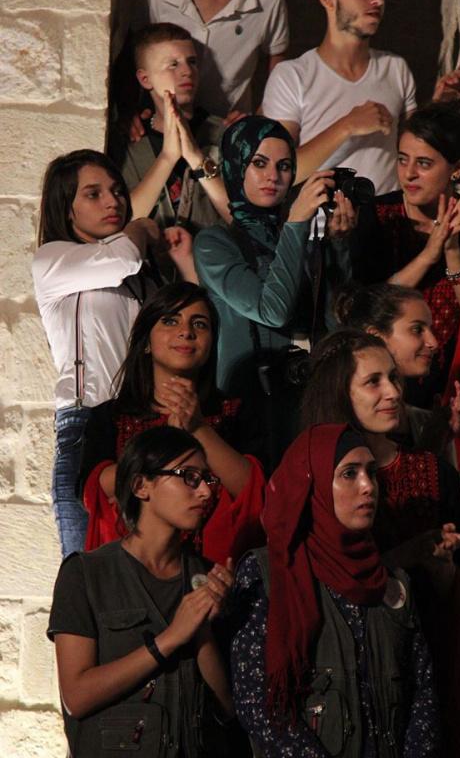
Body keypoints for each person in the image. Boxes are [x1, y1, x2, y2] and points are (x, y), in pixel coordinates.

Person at [301, 329, 460, 757]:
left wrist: (441, 568)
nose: (392, 392)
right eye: (373, 381)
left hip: (425, 670)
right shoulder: (311, 478)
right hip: (340, 676)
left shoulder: (433, 473)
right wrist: (406, 555)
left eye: (394, 378)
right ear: (339, 393)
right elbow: (314, 584)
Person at [231, 422, 440, 756]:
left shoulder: (392, 583)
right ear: (310, 484)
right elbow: (258, 703)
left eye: (371, 473)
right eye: (349, 474)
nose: (367, 486)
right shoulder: (269, 574)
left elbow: (423, 692)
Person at [48, 425, 235, 758]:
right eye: (189, 477)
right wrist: (169, 639)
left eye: (208, 479)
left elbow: (227, 710)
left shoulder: (206, 577)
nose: (206, 492)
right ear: (140, 486)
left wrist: (202, 628)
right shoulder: (86, 574)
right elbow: (76, 696)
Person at [193, 114, 356, 470]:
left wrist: (338, 246)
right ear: (236, 167)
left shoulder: (299, 240)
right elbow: (272, 310)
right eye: (259, 163)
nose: (273, 176)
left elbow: (334, 324)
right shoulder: (214, 243)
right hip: (247, 408)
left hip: (305, 399)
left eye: (284, 166)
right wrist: (297, 222)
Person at [355, 99, 460, 469]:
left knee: (445, 487)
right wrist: (428, 254)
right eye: (402, 159)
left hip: (452, 382)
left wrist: (453, 251)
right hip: (384, 379)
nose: (408, 174)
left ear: (456, 169)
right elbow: (367, 306)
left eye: (424, 163)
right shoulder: (378, 216)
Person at [32, 149, 163, 558]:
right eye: (93, 194)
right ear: (66, 208)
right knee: (86, 573)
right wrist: (140, 228)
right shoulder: (52, 259)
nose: (113, 201)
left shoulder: (140, 280)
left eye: (117, 191)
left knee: (146, 568)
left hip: (143, 424)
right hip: (85, 422)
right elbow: (122, 256)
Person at [79, 281, 265, 564]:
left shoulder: (236, 412)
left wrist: (198, 428)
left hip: (216, 572)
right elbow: (94, 490)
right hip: (134, 573)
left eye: (200, 324)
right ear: (146, 343)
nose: (186, 332)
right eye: (170, 321)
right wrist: (165, 444)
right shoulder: (110, 416)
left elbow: (254, 492)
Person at [262, 0, 460, 190]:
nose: (378, 0)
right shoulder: (292, 76)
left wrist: (437, 109)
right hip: (322, 212)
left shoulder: (395, 68)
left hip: (388, 211)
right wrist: (347, 126)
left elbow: (411, 149)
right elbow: (276, 171)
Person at [112, 23, 231, 248]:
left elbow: (243, 221)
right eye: (173, 64)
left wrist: (198, 159)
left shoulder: (224, 134)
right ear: (145, 79)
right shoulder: (132, 141)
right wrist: (167, 157)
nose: (187, 71)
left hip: (211, 263)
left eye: (192, 62)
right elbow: (122, 221)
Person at [144, 0, 289, 119]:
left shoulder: (268, 1)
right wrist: (128, 110)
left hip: (227, 127)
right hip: (161, 122)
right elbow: (133, 50)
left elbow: (278, 65)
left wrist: (258, 121)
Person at [335, 282, 460, 458]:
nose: (434, 343)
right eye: (417, 330)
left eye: (430, 329)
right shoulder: (348, 425)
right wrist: (431, 445)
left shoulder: (422, 420)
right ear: (376, 336)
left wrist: (442, 438)